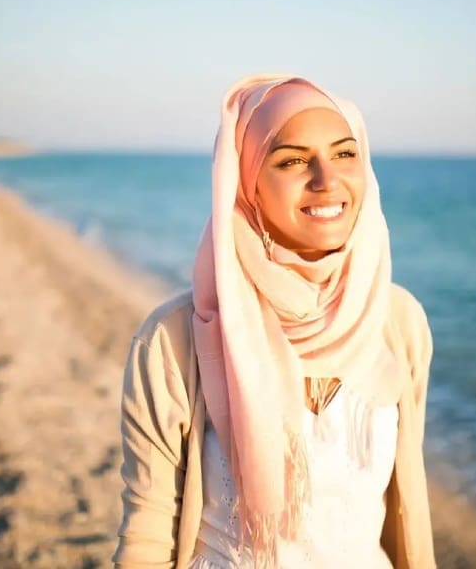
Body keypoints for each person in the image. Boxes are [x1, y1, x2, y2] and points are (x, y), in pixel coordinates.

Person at [112, 74, 436, 568]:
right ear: (246, 184)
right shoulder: (175, 338)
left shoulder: (399, 320)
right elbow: (147, 534)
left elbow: (407, 508)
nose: (327, 179)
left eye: (345, 154)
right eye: (292, 160)